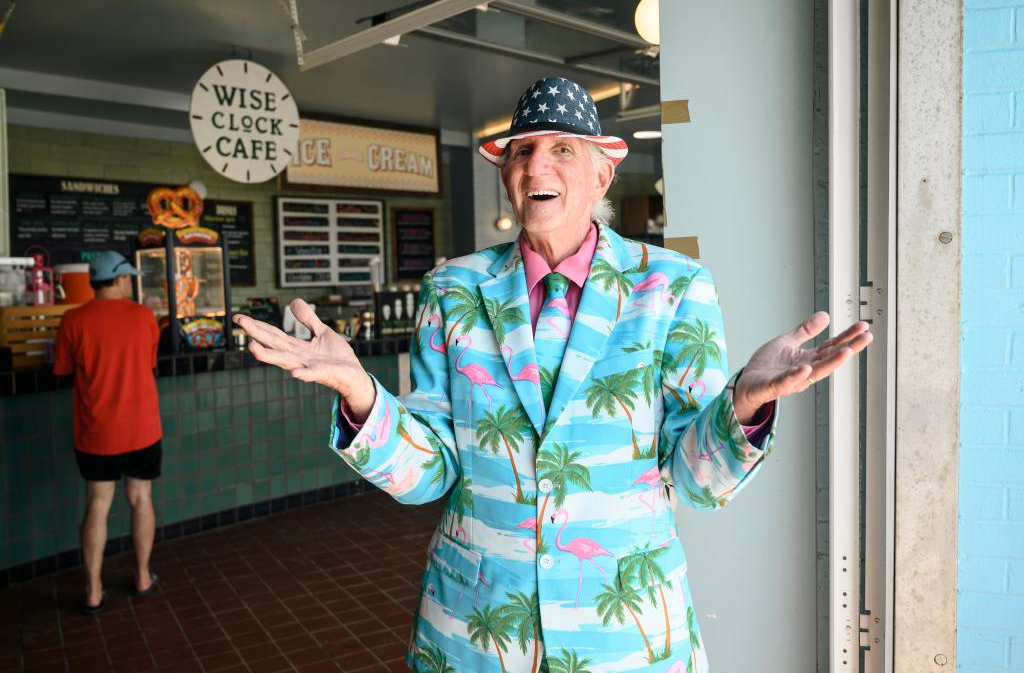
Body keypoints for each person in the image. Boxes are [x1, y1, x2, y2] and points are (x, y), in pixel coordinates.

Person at [234, 77, 872, 672]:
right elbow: (431, 474)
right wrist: (361, 393)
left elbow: (695, 479)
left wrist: (744, 407)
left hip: (625, 630)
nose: (535, 166)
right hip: (476, 624)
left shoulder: (673, 289)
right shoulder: (452, 289)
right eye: (520, 151)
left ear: (602, 174)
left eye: (561, 149)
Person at [53, 251, 162, 614]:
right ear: (117, 281)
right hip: (142, 429)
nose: (130, 282)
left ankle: (93, 592)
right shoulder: (144, 316)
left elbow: (62, 370)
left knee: (97, 506)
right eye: (128, 277)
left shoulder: (72, 320)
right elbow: (148, 363)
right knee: (141, 499)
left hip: (96, 433)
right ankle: (143, 576)